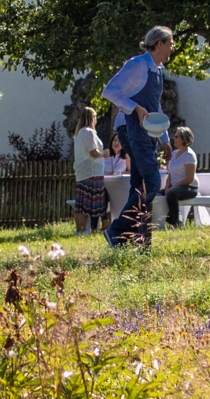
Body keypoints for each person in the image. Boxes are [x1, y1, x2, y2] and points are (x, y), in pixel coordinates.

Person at [99, 25, 175, 247]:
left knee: (139, 185)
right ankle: (116, 231)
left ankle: (136, 242)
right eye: (170, 43)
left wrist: (165, 139)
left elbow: (155, 106)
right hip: (130, 129)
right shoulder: (137, 64)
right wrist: (135, 108)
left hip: (148, 133)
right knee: (151, 182)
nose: (172, 48)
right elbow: (110, 91)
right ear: (159, 43)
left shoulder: (158, 70)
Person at [72, 104, 108, 235]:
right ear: (92, 118)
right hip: (91, 172)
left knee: (81, 203)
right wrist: (104, 153)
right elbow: (93, 152)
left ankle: (80, 230)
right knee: (85, 204)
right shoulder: (88, 132)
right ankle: (82, 230)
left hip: (84, 171)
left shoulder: (79, 133)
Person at [161, 126, 199, 225]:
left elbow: (189, 178)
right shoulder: (174, 153)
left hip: (189, 188)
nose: (174, 139)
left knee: (172, 193)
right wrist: (166, 187)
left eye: (176, 136)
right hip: (175, 186)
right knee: (156, 194)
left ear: (183, 139)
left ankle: (174, 222)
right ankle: (158, 222)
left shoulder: (189, 155)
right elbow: (170, 173)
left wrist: (174, 186)